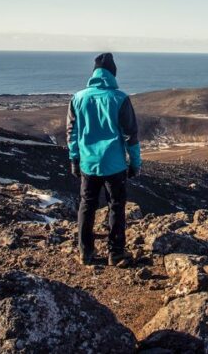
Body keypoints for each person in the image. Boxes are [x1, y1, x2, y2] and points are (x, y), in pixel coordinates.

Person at [66, 52, 142, 267]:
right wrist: (135, 163)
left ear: (94, 73)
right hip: (114, 164)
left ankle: (85, 252)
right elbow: (131, 136)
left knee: (87, 205)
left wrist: (74, 159)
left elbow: (72, 133)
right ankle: (116, 253)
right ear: (113, 74)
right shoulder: (120, 98)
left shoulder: (78, 98)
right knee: (116, 206)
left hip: (88, 163)